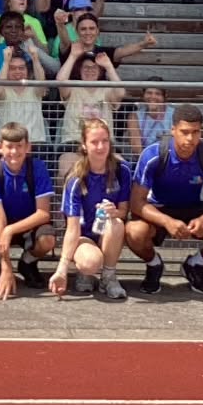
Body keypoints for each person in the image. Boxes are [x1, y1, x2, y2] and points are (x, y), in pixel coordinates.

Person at [126, 103, 203, 295]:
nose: (190, 138)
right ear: (173, 130)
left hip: (194, 208)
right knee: (133, 232)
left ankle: (195, 264)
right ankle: (154, 265)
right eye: (184, 132)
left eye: (196, 132)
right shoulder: (153, 154)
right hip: (160, 209)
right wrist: (167, 221)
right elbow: (137, 202)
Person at [51, 116, 130, 302]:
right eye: (94, 142)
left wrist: (113, 212)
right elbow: (72, 228)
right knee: (90, 263)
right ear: (84, 145)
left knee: (117, 223)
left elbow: (124, 210)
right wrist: (61, 269)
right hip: (83, 235)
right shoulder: (76, 178)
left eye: (104, 141)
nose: (101, 147)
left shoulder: (121, 169)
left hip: (107, 232)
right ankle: (85, 272)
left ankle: (108, 277)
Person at [0, 123, 57, 300]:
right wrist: (6, 265)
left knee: (48, 239)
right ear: (0, 148)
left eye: (19, 146)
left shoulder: (38, 168)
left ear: (28, 147)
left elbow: (43, 213)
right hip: (3, 220)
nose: (14, 152)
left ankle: (28, 262)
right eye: (9, 146)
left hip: (30, 220)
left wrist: (10, 230)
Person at [55, 46, 126, 175]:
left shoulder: (107, 90)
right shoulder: (73, 87)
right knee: (65, 172)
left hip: (103, 144)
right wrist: (73, 56)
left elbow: (120, 92)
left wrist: (108, 65)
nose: (90, 70)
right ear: (80, 70)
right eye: (86, 67)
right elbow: (60, 81)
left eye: (94, 67)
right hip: (74, 142)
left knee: (121, 171)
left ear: (100, 71)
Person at [0, 42, 51, 148]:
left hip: (34, 142)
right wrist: (6, 62)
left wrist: (35, 58)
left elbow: (41, 81)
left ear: (27, 71)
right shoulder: (2, 90)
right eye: (13, 68)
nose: (17, 71)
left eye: (21, 68)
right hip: (8, 143)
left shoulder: (34, 89)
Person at [127, 86, 172, 157]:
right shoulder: (135, 116)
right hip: (144, 160)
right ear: (143, 95)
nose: (153, 97)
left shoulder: (173, 114)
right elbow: (136, 149)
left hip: (169, 159)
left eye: (157, 94)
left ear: (164, 97)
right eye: (149, 93)